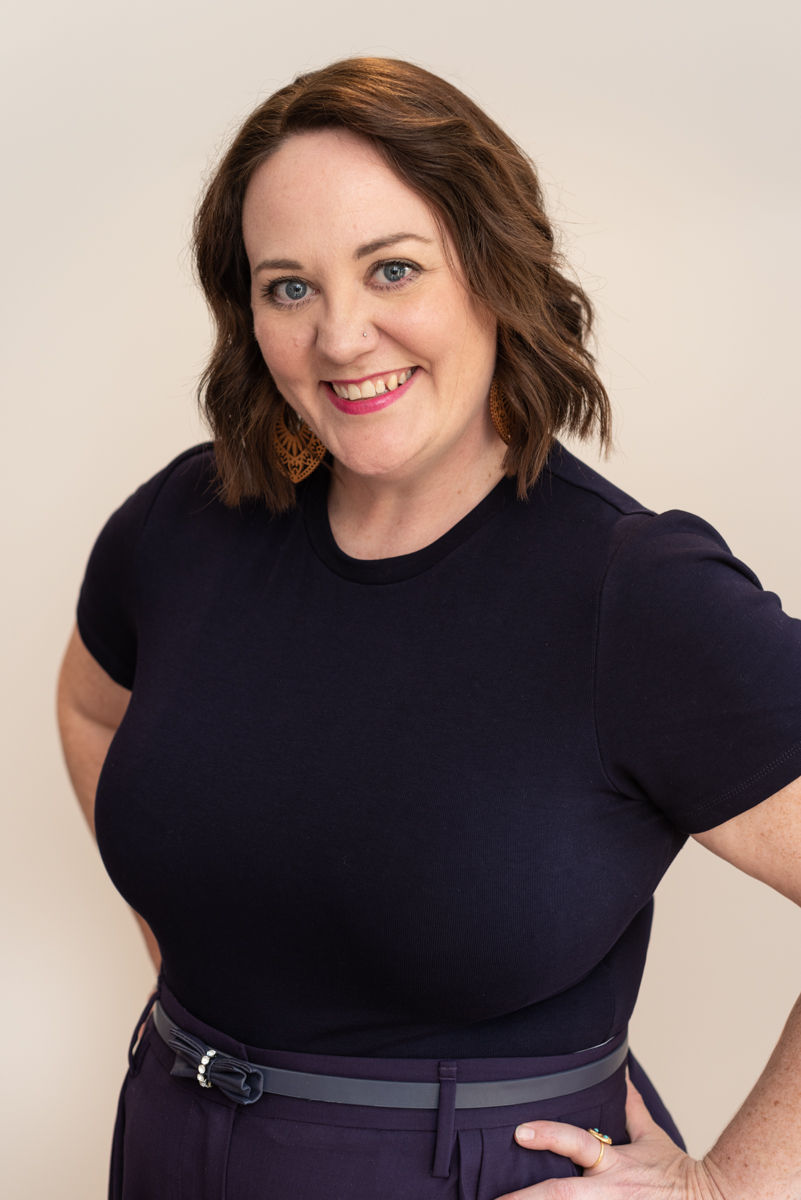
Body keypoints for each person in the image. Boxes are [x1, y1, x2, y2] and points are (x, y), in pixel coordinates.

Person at [56, 56, 801, 1200]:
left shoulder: (634, 592)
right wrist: (201, 953)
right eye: (288, 287)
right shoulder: (186, 522)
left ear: (496, 275)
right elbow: (90, 704)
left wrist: (738, 1186)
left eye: (392, 269)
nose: (342, 337)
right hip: (167, 1137)